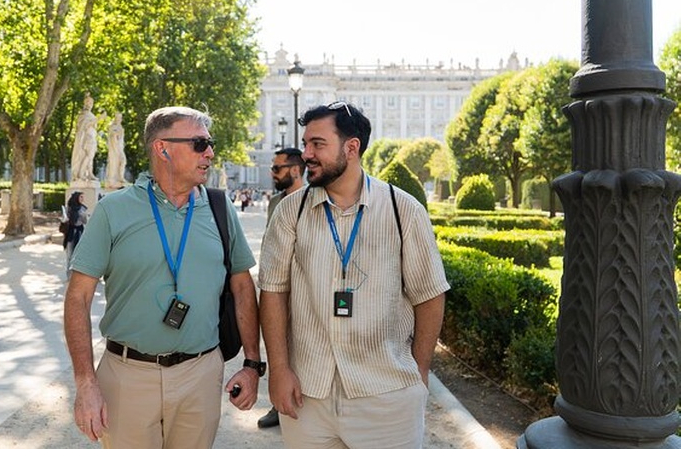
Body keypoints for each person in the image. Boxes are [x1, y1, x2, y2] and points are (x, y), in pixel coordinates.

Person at [64, 106, 264, 448]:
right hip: (127, 376)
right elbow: (78, 298)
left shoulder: (219, 208)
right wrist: (86, 383)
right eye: (200, 143)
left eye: (210, 143)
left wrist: (252, 363)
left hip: (201, 375)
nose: (210, 153)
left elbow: (243, 288)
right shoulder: (114, 210)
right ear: (163, 148)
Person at [259, 102, 449, 448]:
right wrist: (279, 370)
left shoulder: (402, 209)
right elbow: (273, 292)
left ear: (352, 147)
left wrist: (418, 373)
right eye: (305, 144)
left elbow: (430, 295)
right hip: (307, 396)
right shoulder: (290, 211)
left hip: (387, 395)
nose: (306, 155)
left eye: (318, 144)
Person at [257, 147, 305, 429]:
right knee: (275, 341)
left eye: (277, 169)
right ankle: (278, 404)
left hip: (302, 286)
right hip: (276, 285)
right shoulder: (276, 202)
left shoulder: (312, 199)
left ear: (296, 170)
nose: (272, 173)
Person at [70, 93, 98, 181]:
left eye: (91, 103)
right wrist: (99, 118)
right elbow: (84, 126)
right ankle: (81, 173)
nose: (90, 104)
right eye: (88, 102)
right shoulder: (83, 115)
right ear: (85, 103)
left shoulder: (92, 115)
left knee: (91, 156)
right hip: (86, 139)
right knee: (88, 155)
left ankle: (89, 173)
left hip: (92, 138)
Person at [63, 191, 88, 279]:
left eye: (83, 197)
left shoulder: (83, 208)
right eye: (81, 197)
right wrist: (64, 219)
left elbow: (85, 221)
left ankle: (78, 275)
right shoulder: (69, 208)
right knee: (69, 254)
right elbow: (65, 219)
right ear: (76, 198)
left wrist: (84, 216)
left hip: (80, 232)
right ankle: (69, 275)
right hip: (70, 233)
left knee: (79, 254)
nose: (82, 199)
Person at [105, 111, 126, 188]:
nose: (118, 119)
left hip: (120, 148)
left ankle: (120, 177)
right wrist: (116, 134)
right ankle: (114, 179)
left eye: (120, 118)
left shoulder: (121, 127)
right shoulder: (112, 127)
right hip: (114, 149)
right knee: (114, 163)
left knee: (123, 161)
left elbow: (121, 139)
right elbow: (111, 137)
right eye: (117, 117)